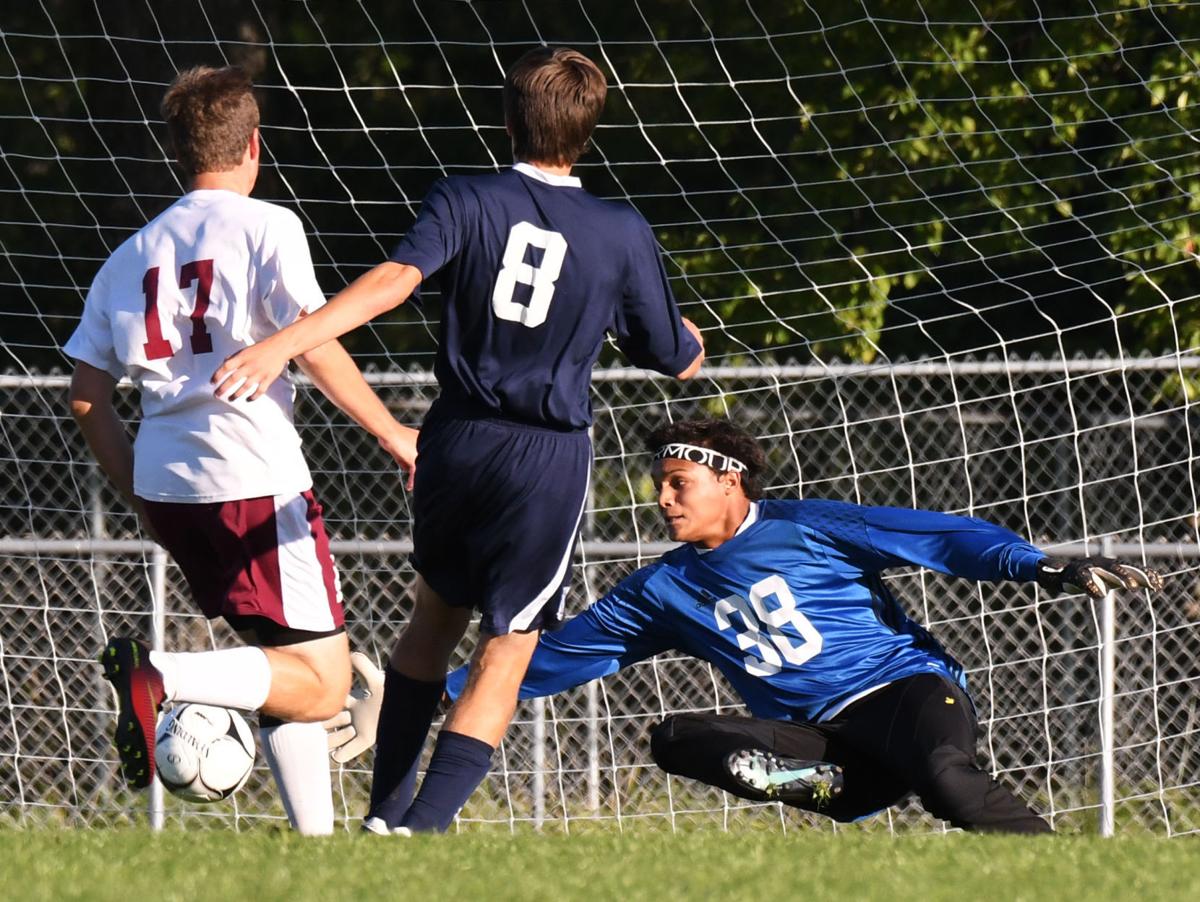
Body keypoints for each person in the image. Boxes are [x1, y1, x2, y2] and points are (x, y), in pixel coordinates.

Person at [211, 46, 704, 835]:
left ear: (506, 121)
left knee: (433, 621)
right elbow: (674, 357)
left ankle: (383, 814)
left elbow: (397, 280)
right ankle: (424, 827)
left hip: (456, 441)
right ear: (589, 132)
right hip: (545, 456)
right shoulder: (620, 229)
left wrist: (286, 341)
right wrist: (686, 338)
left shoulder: (465, 196)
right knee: (510, 645)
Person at [437, 418, 1164, 833]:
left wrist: (1039, 567)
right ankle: (834, 782)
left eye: (676, 482)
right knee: (675, 739)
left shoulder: (810, 527)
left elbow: (941, 537)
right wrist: (444, 691)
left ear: (730, 481)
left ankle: (1067, 875)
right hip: (820, 743)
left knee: (946, 781)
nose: (661, 497)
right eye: (659, 484)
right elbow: (552, 659)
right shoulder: (660, 589)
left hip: (900, 692)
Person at [65, 65, 418, 835]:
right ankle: (159, 676)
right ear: (254, 145)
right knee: (325, 688)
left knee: (285, 669)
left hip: (168, 484)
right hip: (252, 476)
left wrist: (138, 493)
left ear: (176, 153)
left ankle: (317, 851)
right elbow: (316, 345)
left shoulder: (129, 254)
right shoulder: (267, 225)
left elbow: (86, 397)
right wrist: (394, 433)